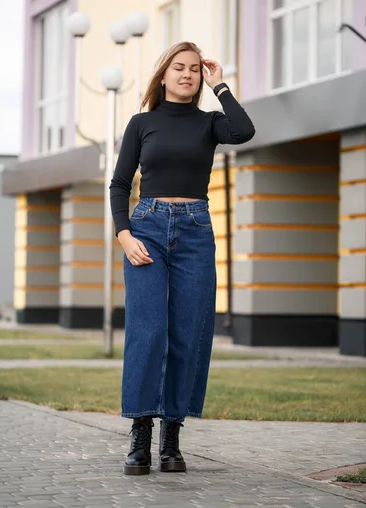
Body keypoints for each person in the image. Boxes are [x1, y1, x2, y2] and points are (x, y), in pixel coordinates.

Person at [110, 41, 255, 475]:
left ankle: (171, 436)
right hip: (147, 230)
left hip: (195, 230)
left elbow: (244, 131)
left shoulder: (210, 122)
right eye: (180, 67)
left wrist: (221, 85)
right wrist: (124, 234)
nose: (188, 74)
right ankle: (140, 434)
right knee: (148, 330)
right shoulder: (142, 123)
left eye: (195, 69)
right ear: (164, 75)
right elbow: (119, 185)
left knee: (189, 334)